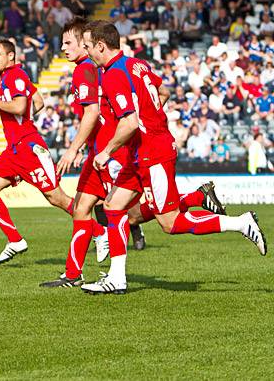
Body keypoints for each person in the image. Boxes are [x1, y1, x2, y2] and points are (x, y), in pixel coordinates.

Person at [80, 21, 265, 294]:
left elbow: (130, 123)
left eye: (87, 46)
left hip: (152, 153)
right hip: (142, 151)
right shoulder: (136, 65)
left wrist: (107, 151)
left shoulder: (112, 74)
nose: (86, 52)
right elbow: (162, 93)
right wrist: (150, 120)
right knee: (113, 207)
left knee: (171, 223)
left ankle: (241, 223)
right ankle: (116, 278)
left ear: (100, 45)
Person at [39, 18, 148, 288]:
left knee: (135, 212)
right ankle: (73, 275)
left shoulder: (85, 70)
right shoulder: (91, 68)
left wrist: (71, 150)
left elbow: (93, 112)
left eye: (68, 43)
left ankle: (189, 199)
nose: (63, 48)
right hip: (99, 151)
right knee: (82, 208)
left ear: (85, 45)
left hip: (108, 152)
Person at [0, 38, 106, 264]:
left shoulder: (14, 76)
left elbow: (20, 106)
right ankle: (15, 240)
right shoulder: (13, 76)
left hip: (28, 148)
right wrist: (23, 118)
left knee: (56, 197)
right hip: (14, 150)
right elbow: (37, 102)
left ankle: (99, 232)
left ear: (10, 56)